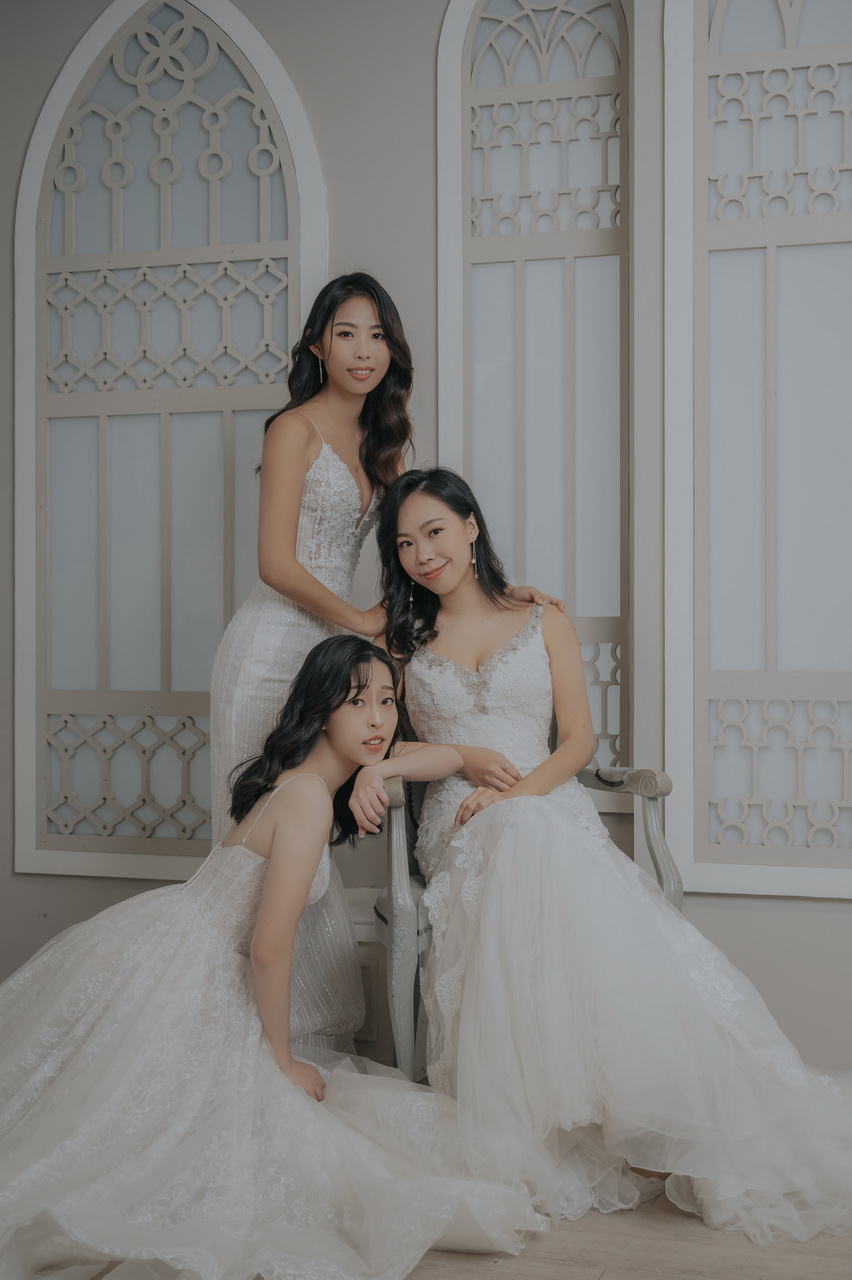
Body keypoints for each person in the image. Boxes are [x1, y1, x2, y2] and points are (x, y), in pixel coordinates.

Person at [374, 467, 852, 1246]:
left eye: (434, 532)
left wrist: (516, 795)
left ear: (470, 526)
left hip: (544, 801)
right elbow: (379, 738)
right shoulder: (399, 640)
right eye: (404, 544)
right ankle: (558, 1117)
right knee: (521, 842)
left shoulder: (543, 619)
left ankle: (649, 1108)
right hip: (458, 819)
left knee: (532, 838)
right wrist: (455, 761)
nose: (422, 554)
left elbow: (580, 743)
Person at [0, 636, 545, 1280]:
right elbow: (268, 947)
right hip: (184, 964)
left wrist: (408, 765)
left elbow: (447, 754)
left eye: (388, 701)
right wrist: (283, 1061)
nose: (377, 719)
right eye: (356, 702)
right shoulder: (309, 797)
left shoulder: (320, 777)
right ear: (321, 709)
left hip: (176, 941)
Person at [209, 272, 560, 1056]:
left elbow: (428, 544)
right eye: (345, 333)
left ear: (392, 349)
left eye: (377, 335)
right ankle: (234, 1032)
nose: (363, 351)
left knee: (311, 834)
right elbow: (274, 563)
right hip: (273, 646)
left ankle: (299, 1032)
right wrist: (364, 622)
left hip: (336, 656)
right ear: (316, 344)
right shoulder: (293, 428)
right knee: (261, 830)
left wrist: (499, 593)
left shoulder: (383, 440)